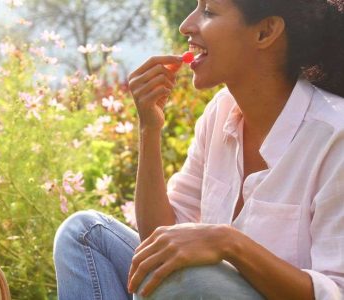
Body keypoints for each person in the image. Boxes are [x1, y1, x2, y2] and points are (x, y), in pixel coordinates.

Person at [53, 0, 344, 299]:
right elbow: (159, 240)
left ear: (264, 32)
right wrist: (149, 128)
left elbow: (335, 293)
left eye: (209, 12)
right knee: (83, 234)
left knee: (190, 278)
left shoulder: (336, 136)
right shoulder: (220, 114)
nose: (186, 26)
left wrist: (228, 243)